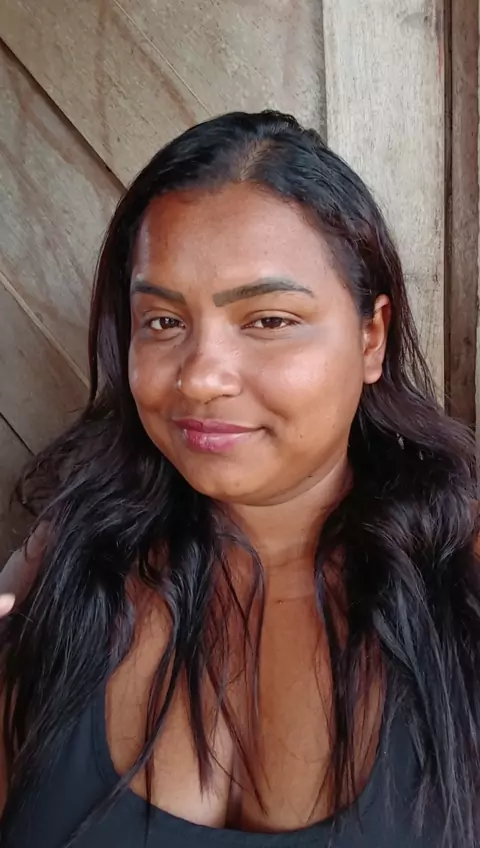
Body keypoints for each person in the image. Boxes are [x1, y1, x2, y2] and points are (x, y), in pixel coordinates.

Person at [0, 110, 478, 848]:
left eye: (268, 320)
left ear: (371, 336)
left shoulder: (461, 578)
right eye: (163, 322)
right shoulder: (69, 559)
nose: (200, 377)